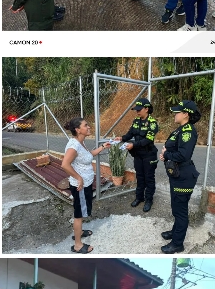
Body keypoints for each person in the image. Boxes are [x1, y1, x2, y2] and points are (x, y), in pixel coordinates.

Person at [61, 118, 111, 254]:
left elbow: (89, 156)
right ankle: (77, 245)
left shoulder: (80, 143)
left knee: (82, 211)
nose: (89, 127)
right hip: (80, 187)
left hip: (86, 184)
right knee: (79, 214)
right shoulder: (74, 145)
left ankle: (80, 232)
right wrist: (79, 178)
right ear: (78, 130)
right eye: (86, 125)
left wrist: (103, 147)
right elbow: (65, 165)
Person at [159, 100, 200, 254]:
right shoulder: (181, 129)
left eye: (178, 112)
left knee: (180, 211)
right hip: (177, 175)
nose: (174, 114)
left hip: (183, 176)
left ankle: (177, 243)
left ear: (185, 114)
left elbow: (184, 154)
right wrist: (166, 155)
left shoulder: (188, 131)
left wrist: (166, 154)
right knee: (177, 208)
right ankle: (176, 231)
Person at [114, 98, 159, 212]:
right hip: (138, 155)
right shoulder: (136, 121)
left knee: (149, 178)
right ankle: (139, 197)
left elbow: (148, 140)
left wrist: (133, 145)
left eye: (139, 109)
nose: (137, 112)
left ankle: (149, 200)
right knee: (139, 176)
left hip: (149, 155)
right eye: (136, 110)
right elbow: (130, 133)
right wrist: (122, 138)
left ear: (146, 109)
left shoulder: (152, 123)